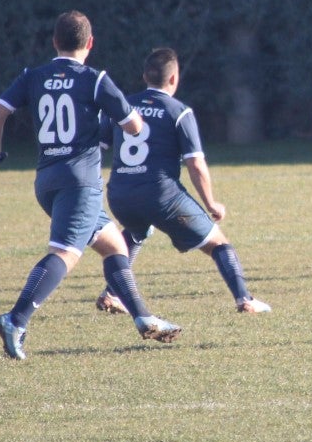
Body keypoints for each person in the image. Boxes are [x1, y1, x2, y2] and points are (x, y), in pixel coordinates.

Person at [0, 10, 181, 360]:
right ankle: (16, 319)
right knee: (65, 253)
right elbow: (134, 126)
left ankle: (143, 317)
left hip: (47, 181)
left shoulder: (33, 76)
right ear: (90, 43)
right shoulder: (95, 79)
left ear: (54, 42)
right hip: (80, 184)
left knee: (114, 246)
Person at [99, 47, 270, 316]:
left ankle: (111, 294)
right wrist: (211, 203)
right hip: (161, 196)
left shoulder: (123, 107)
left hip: (120, 195)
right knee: (219, 244)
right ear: (174, 78)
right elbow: (196, 165)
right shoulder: (179, 112)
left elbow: (98, 146)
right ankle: (244, 299)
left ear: (144, 76)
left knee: (134, 232)